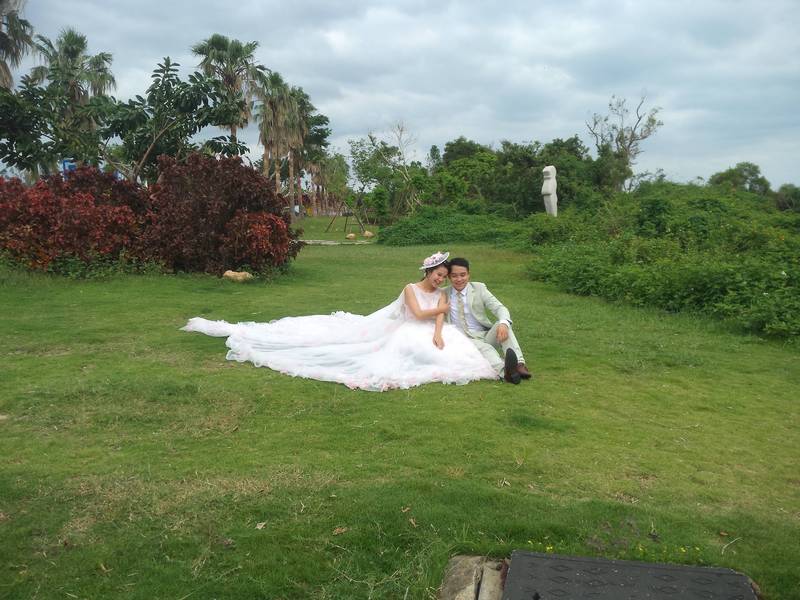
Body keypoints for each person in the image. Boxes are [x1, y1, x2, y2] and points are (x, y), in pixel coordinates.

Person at [181, 252, 498, 392]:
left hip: (430, 329)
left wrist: (440, 331)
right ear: (427, 273)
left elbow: (440, 313)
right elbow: (416, 313)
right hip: (408, 328)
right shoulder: (410, 288)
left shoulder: (441, 294)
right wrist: (438, 314)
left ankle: (495, 366)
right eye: (438, 275)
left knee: (451, 348)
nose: (441, 279)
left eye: (444, 276)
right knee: (400, 352)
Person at [446, 257, 532, 384]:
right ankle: (505, 372)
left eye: (463, 275)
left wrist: (504, 323)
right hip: (463, 340)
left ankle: (519, 364)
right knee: (486, 348)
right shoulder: (443, 294)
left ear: (469, 274)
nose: (459, 279)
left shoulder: (479, 288)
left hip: (484, 335)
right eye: (454, 276)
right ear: (449, 277)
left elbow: (499, 308)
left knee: (503, 326)